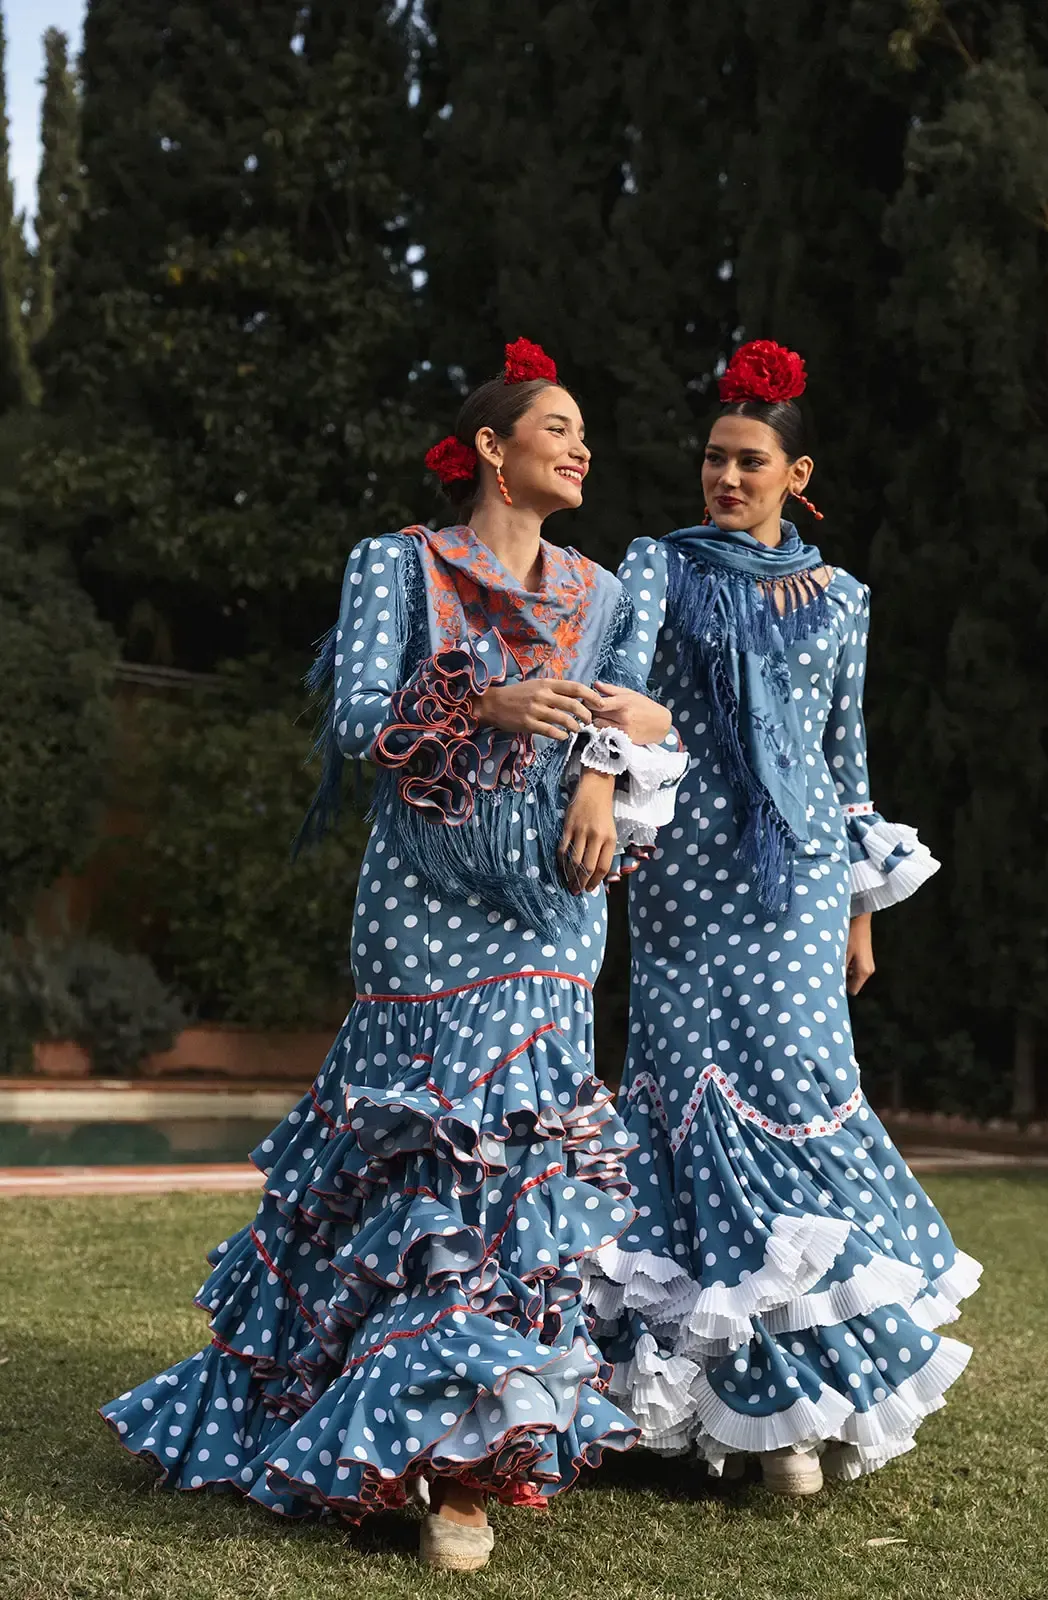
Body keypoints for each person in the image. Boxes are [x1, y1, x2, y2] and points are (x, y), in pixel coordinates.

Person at [99, 339, 686, 1571]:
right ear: (491, 447)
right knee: (417, 1156)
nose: (581, 448)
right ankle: (364, 1424)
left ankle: (466, 1460)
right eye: (557, 428)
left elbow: (634, 713)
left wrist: (593, 771)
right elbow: (363, 718)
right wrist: (488, 701)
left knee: (510, 1170)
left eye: (583, 433)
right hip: (423, 897)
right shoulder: (398, 564)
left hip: (557, 898)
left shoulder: (606, 589)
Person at [586, 340, 981, 1495]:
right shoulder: (657, 565)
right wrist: (604, 795)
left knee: (795, 1089)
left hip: (799, 879)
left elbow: (842, 757)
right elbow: (618, 698)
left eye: (748, 461)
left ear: (793, 472)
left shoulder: (844, 598)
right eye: (712, 458)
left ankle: (798, 1396)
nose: (724, 477)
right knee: (681, 1091)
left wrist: (861, 913)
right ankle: (690, 1399)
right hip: (681, 868)